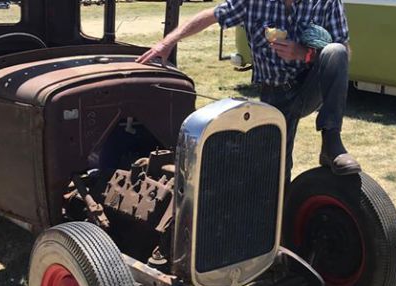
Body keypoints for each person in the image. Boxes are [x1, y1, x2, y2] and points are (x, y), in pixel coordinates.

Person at [136, 0, 360, 176]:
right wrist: (166, 43)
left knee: (335, 51)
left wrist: (304, 53)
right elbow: (211, 16)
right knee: (273, 171)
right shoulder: (252, 2)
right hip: (274, 95)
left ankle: (331, 143)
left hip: (308, 87)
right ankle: (281, 223)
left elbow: (344, 52)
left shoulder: (327, 2)